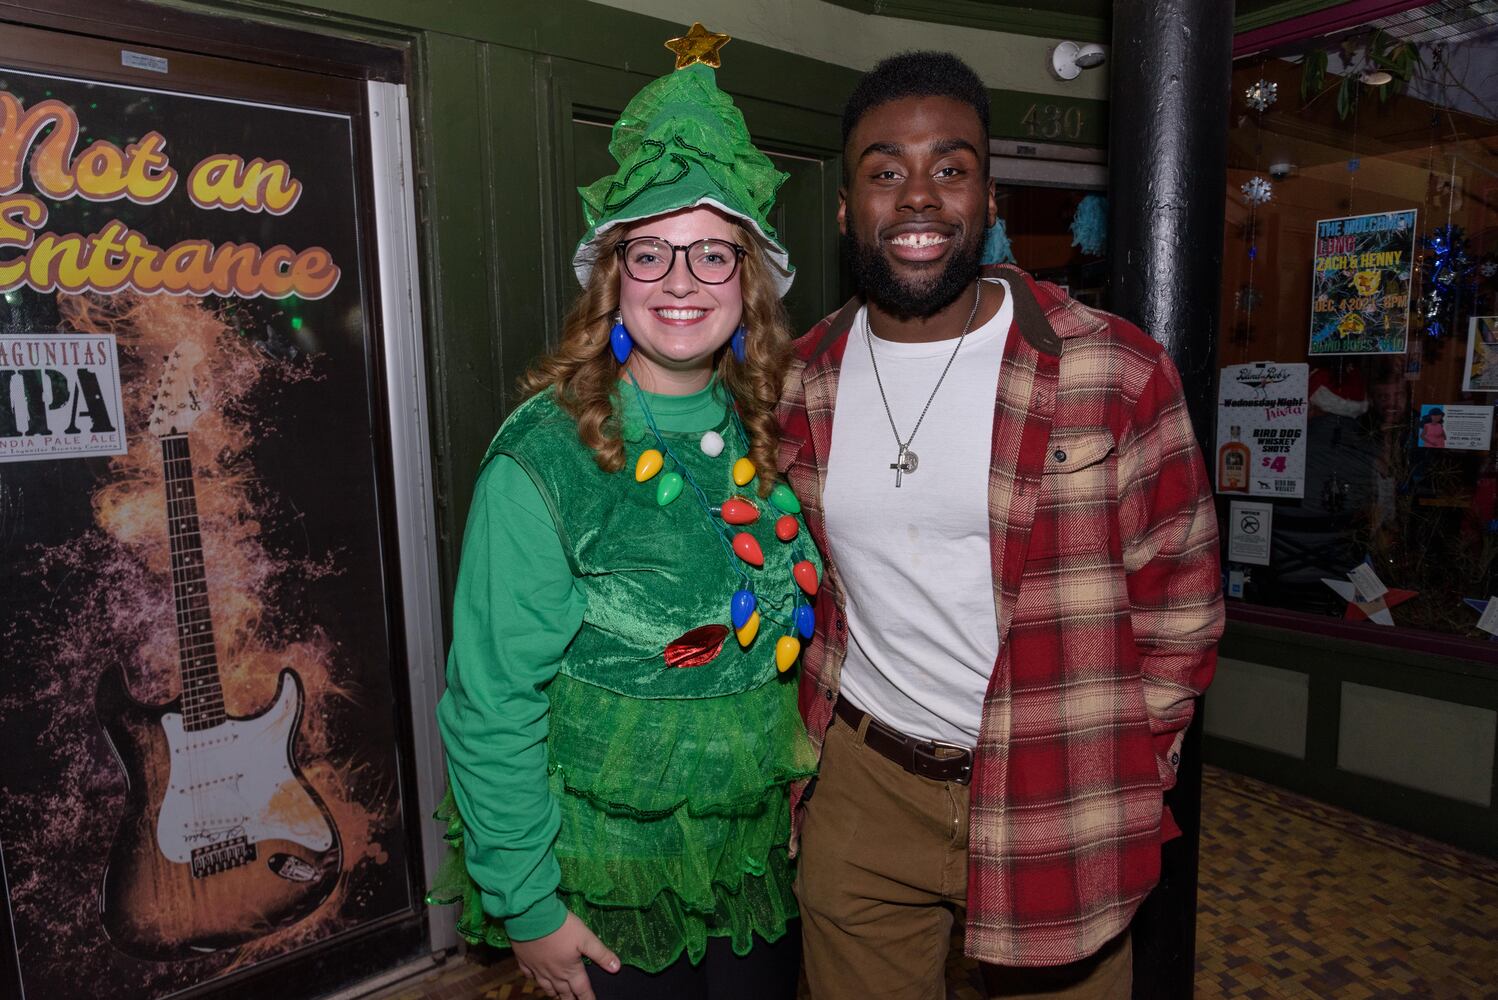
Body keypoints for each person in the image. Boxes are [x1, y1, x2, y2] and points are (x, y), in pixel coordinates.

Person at [776, 51, 1225, 999]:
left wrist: (1126, 760)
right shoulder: (799, 378)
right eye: (885, 171)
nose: (919, 198)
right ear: (848, 206)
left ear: (987, 196)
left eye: (951, 167)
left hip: (1057, 786)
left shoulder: (1114, 370)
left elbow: (1182, 599)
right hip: (865, 786)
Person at [430, 40, 818, 1000]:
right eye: (650, 250)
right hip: (604, 897)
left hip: (753, 872)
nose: (680, 279)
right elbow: (490, 700)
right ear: (614, 277)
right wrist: (527, 905)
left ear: (749, 281)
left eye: (711, 253)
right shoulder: (546, 455)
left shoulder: (779, 424)